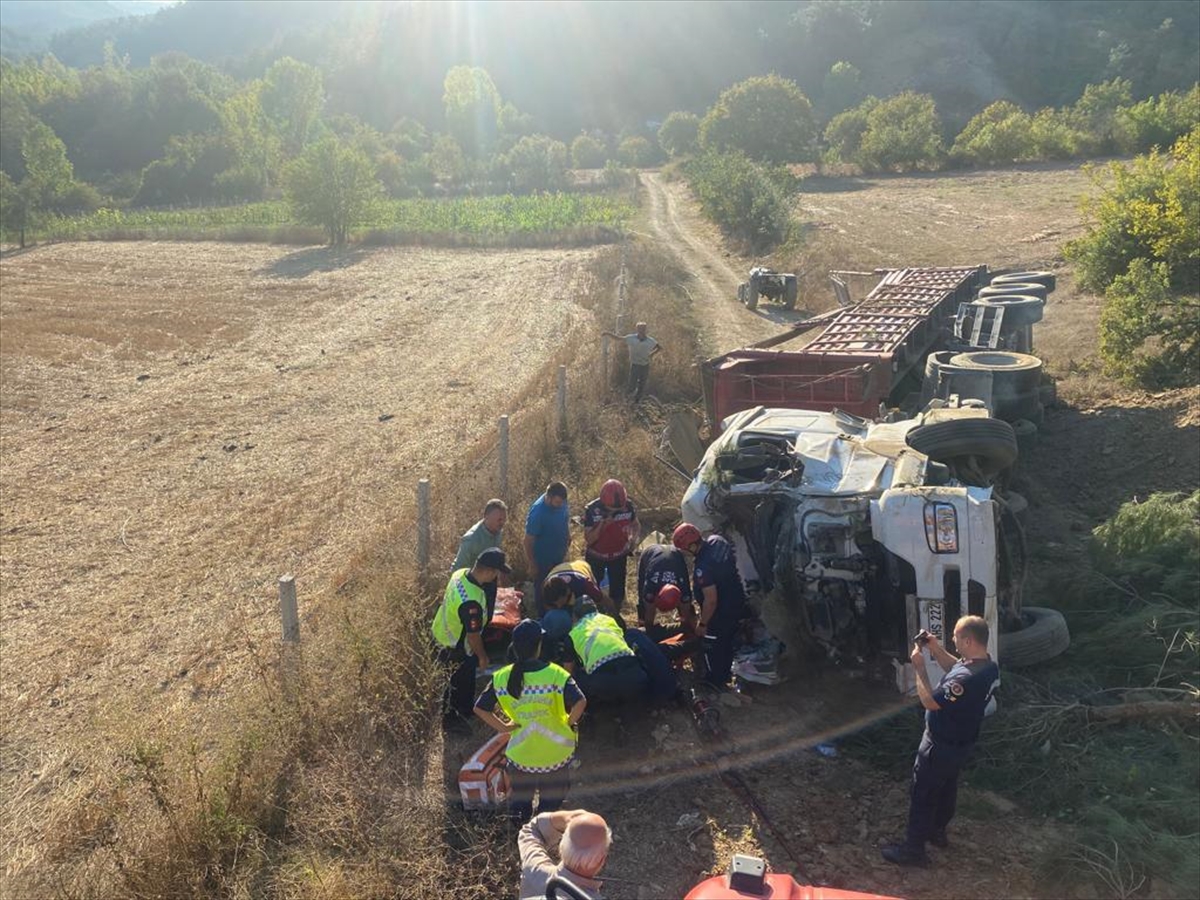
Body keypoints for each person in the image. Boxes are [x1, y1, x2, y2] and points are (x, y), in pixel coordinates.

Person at [881, 615, 1000, 867]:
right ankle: (937, 832)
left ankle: (913, 851)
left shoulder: (967, 679)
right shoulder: (986, 666)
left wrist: (920, 668)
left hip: (940, 745)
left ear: (968, 640)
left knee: (922, 792)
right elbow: (956, 667)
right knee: (946, 787)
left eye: (956, 637)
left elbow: (931, 702)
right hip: (961, 744)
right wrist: (935, 648)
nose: (953, 640)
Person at [475, 620, 587, 824]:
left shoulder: (501, 677)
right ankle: (543, 833)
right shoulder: (556, 674)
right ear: (539, 645)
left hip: (521, 756)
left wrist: (504, 728)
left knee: (520, 803)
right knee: (550, 805)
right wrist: (568, 723)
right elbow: (580, 702)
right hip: (556, 754)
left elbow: (480, 708)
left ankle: (522, 835)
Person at [431, 548, 510, 726]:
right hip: (453, 646)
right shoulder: (471, 603)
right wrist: (483, 656)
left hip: (442, 632)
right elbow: (473, 637)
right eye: (496, 573)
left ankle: (465, 709)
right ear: (489, 571)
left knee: (464, 678)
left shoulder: (461, 574)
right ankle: (451, 721)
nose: (496, 577)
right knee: (455, 683)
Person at [672, 523, 745, 689]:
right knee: (730, 639)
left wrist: (703, 624)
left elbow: (711, 600)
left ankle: (716, 681)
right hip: (737, 601)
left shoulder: (702, 568)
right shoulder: (717, 541)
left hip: (720, 612)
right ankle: (728, 671)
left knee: (714, 645)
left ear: (691, 546)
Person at [564, 601, 648, 704]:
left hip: (604, 685)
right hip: (634, 675)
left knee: (578, 676)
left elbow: (568, 673)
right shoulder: (609, 620)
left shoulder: (573, 633)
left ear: (575, 617)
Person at [518, 808, 611, 900]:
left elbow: (532, 829)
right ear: (601, 860)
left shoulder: (534, 870)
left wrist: (563, 817)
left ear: (561, 847)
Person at [583, 480, 639, 619]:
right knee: (593, 588)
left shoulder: (628, 506)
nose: (616, 511)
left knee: (618, 589)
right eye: (612, 509)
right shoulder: (592, 509)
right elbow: (589, 539)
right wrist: (602, 525)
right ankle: (596, 615)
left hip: (619, 555)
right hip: (597, 556)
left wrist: (633, 540)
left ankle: (615, 615)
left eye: (619, 509)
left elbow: (636, 525)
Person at [525, 482, 571, 614]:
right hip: (542, 561)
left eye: (562, 502)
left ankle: (559, 616)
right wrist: (532, 564)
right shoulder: (538, 513)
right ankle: (543, 620)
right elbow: (528, 541)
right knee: (542, 592)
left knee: (559, 589)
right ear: (549, 497)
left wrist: (568, 536)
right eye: (557, 502)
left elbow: (565, 518)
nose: (560, 505)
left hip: (559, 557)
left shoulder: (562, 501)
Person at [636, 542, 696, 634]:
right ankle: (641, 629)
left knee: (686, 610)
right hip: (650, 553)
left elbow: (688, 611)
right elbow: (649, 613)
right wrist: (647, 630)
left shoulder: (684, 590)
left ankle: (687, 631)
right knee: (643, 602)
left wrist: (691, 629)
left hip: (675, 555)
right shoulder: (651, 587)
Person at [602, 321, 661, 402]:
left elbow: (659, 347)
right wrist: (608, 334)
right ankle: (626, 400)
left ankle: (637, 401)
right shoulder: (631, 338)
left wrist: (652, 354)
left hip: (645, 365)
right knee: (632, 384)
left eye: (643, 329)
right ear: (637, 329)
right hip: (635, 364)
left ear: (645, 329)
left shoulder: (650, 341)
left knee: (642, 384)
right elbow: (618, 338)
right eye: (639, 329)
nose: (641, 330)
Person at [453, 499, 508, 571]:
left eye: (504, 519)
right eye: (499, 519)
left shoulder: (498, 530)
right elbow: (459, 569)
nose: (502, 523)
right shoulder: (471, 539)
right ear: (486, 517)